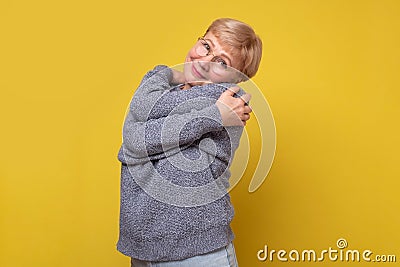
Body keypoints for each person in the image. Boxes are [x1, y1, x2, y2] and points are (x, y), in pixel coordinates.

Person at [117, 18, 262, 267]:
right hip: (144, 246)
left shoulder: (225, 99)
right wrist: (174, 73)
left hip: (198, 252)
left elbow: (137, 133)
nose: (204, 61)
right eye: (206, 46)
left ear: (234, 79)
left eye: (221, 63)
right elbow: (133, 137)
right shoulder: (181, 96)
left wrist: (214, 113)